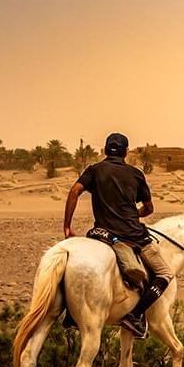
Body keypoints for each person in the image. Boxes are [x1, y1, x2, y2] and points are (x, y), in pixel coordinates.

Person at [63, 132, 172, 339]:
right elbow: (148, 208)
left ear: (105, 151)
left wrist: (67, 227)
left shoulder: (94, 170)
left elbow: (74, 192)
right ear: (126, 152)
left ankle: (70, 313)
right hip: (132, 236)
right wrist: (132, 215)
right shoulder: (136, 174)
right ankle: (135, 315)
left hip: (101, 233)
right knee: (165, 273)